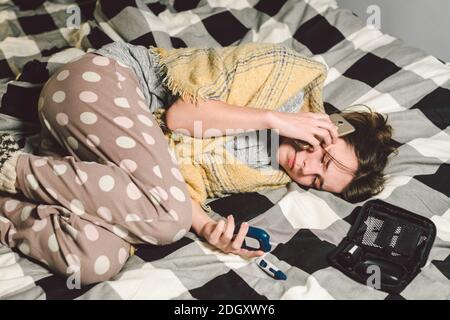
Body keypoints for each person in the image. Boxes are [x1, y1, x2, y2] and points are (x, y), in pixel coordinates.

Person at [0, 42, 396, 285]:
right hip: (97, 84)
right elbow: (180, 118)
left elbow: (171, 181)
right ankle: (9, 164)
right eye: (323, 155)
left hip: (95, 155)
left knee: (94, 259)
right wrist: (274, 118)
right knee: (168, 221)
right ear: (332, 125)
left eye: (316, 180)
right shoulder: (286, 74)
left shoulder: (265, 171)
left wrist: (208, 226)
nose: (306, 168)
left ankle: (7, 203)